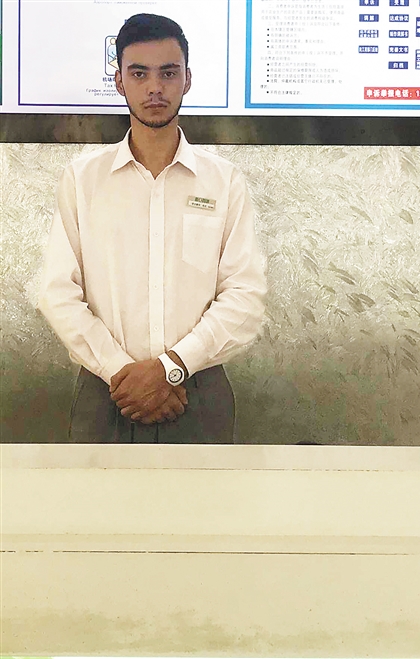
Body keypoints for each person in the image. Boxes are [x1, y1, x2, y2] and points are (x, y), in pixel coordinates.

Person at [38, 14, 267, 443]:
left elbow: (245, 294)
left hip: (197, 390)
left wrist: (172, 368)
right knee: (95, 492)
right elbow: (58, 292)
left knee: (207, 492)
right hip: (107, 389)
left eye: (169, 73)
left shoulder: (223, 182)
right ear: (119, 82)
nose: (155, 88)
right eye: (139, 73)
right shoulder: (83, 180)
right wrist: (121, 372)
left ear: (188, 80)